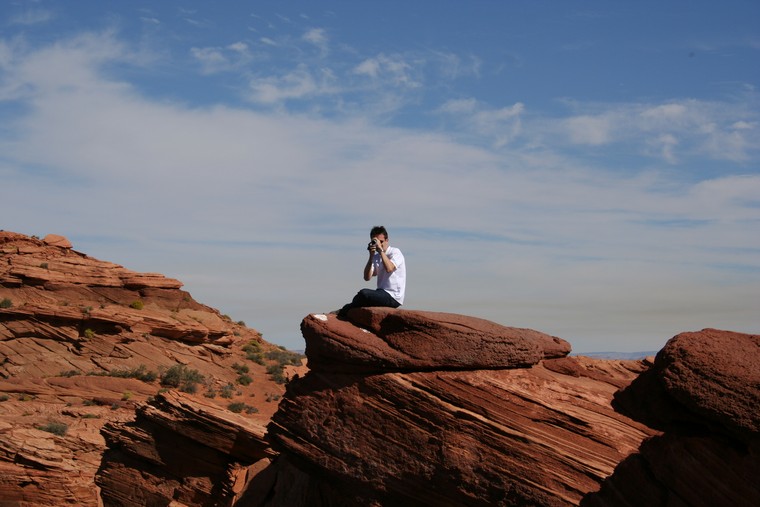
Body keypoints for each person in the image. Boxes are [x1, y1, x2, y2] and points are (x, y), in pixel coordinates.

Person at [338, 225, 406, 318]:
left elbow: (389, 268)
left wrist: (381, 251)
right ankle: (345, 311)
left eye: (381, 241)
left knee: (364, 294)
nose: (379, 244)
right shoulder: (376, 257)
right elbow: (367, 277)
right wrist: (371, 256)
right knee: (363, 296)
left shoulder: (395, 252)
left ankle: (343, 312)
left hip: (394, 296)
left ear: (387, 240)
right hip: (381, 293)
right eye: (376, 242)